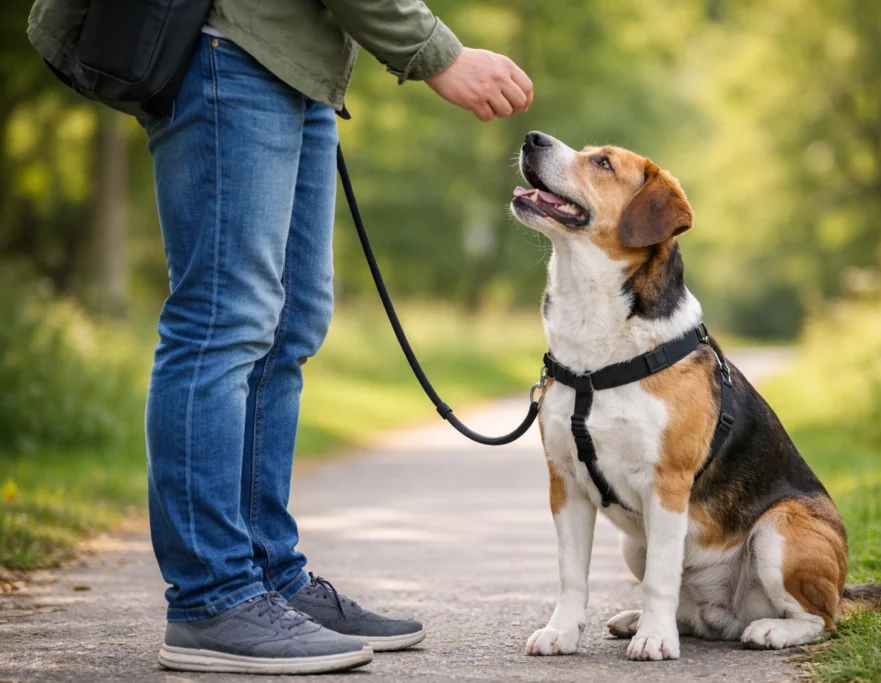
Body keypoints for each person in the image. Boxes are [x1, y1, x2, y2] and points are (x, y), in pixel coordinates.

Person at [28, 0, 533, 675]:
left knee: (291, 324)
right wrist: (438, 54)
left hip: (296, 65)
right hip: (229, 48)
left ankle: (267, 574)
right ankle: (211, 598)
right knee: (222, 322)